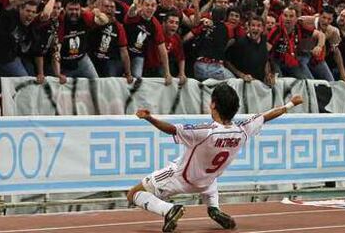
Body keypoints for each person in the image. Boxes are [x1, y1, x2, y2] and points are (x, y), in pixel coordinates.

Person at [127, 83, 303, 232]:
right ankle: (213, 207)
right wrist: (290, 104)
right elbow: (266, 116)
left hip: (180, 179)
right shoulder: (243, 130)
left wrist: (150, 118)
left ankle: (169, 209)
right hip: (206, 182)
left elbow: (172, 129)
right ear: (235, 108)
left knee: (133, 194)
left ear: (213, 105)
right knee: (210, 175)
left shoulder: (205, 131)